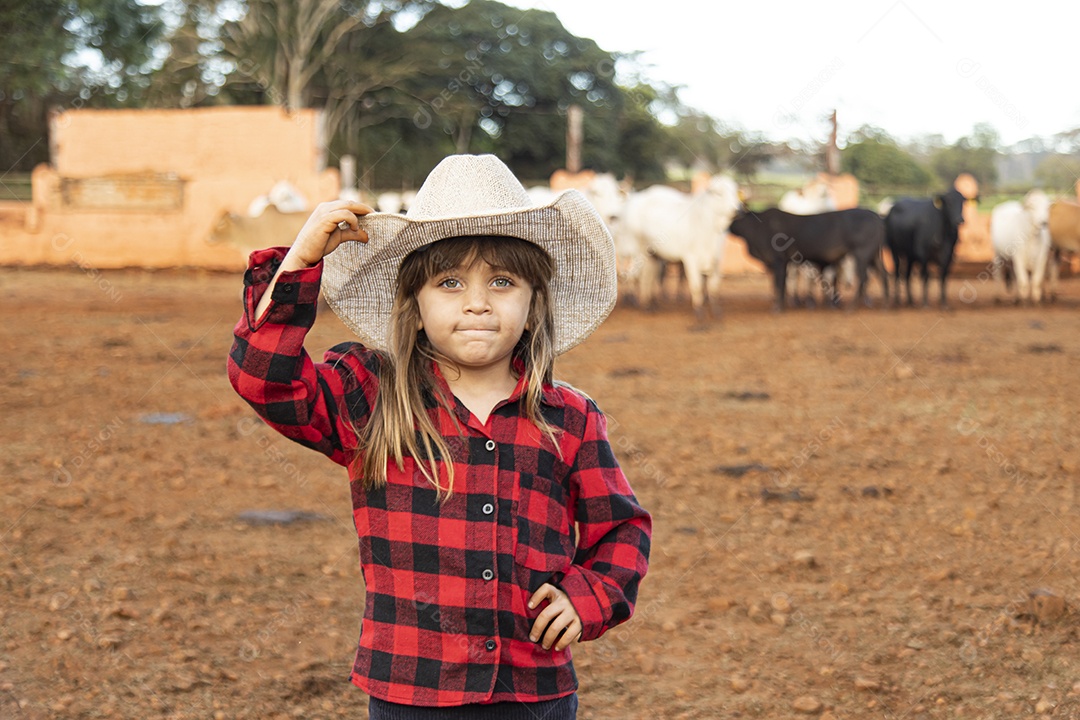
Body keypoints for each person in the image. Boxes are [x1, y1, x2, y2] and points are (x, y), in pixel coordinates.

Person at [227, 154, 651, 718]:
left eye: (502, 282)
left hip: (533, 693)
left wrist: (590, 595)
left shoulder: (570, 417)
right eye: (449, 283)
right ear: (415, 303)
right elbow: (263, 379)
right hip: (410, 688)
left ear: (532, 303)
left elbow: (621, 527)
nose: (477, 302)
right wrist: (301, 262)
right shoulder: (372, 396)